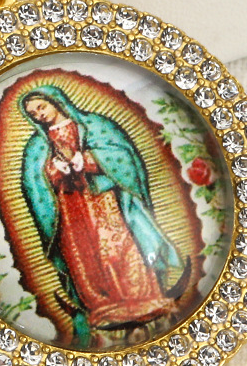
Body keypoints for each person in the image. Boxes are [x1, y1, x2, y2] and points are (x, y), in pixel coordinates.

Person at [19, 85, 188, 347]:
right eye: (33, 114)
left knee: (117, 244)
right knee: (84, 252)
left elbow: (122, 156)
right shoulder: (37, 145)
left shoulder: (94, 125)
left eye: (41, 107)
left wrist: (86, 160)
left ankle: (142, 297)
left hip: (102, 198)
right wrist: (54, 169)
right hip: (70, 205)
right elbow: (33, 182)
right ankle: (102, 305)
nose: (39, 115)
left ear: (55, 101)